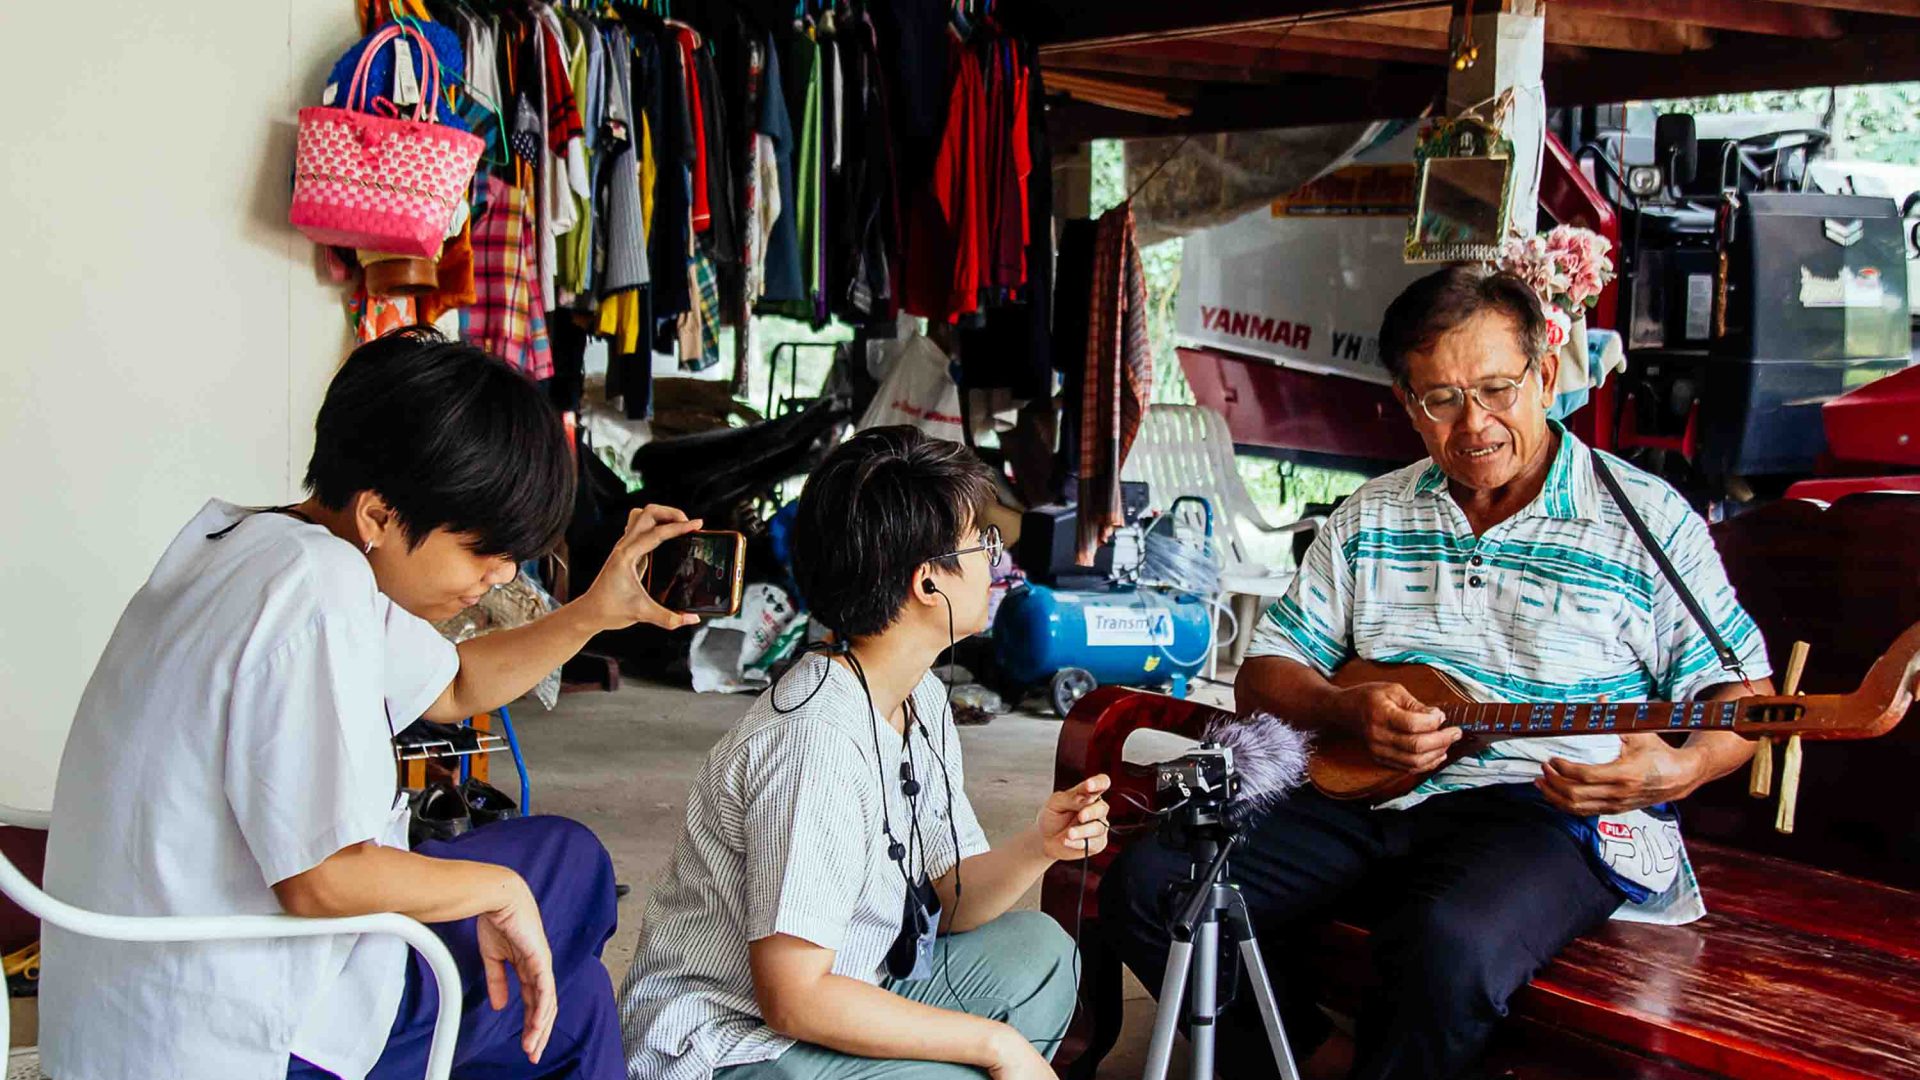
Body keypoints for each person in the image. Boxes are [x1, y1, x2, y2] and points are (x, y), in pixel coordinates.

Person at [1100, 266, 1777, 1080]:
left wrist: (1679, 767)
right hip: (1370, 788)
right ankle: (1300, 1062)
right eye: (1441, 399)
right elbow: (1266, 673)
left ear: (1547, 376)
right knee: (1151, 885)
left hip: (1549, 809)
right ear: (1405, 402)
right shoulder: (1373, 514)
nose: (1475, 424)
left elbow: (1747, 697)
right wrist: (1349, 711)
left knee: (1446, 947)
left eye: (1497, 389)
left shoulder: (1644, 518)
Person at [39, 330, 702, 1080]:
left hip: (146, 987)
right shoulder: (314, 594)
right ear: (381, 515)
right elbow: (320, 880)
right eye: (483, 547)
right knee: (567, 959)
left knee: (568, 893)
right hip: (232, 1025)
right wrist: (499, 889)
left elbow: (452, 687)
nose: (501, 574)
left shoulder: (255, 542)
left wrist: (594, 611)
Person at [620, 427, 1110, 1080]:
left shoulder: (923, 697)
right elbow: (793, 999)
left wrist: (1038, 846)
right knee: (971, 1068)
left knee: (1044, 954)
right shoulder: (812, 746)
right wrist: (995, 1045)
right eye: (982, 543)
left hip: (848, 984)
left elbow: (951, 894)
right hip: (732, 1047)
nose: (996, 562)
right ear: (926, 583)